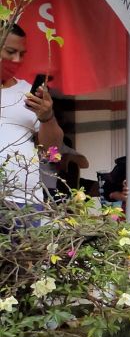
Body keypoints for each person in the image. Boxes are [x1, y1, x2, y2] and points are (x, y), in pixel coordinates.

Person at [0, 24, 63, 203]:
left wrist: (47, 117)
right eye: (10, 51)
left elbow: (52, 154)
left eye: (22, 54)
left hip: (25, 201)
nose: (17, 60)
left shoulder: (28, 93)